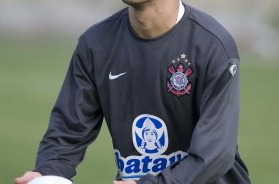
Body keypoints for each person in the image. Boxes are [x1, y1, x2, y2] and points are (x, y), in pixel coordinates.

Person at [15, 0, 251, 183]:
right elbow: (67, 134)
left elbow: (216, 153)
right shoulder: (95, 44)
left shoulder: (212, 45)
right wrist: (46, 173)